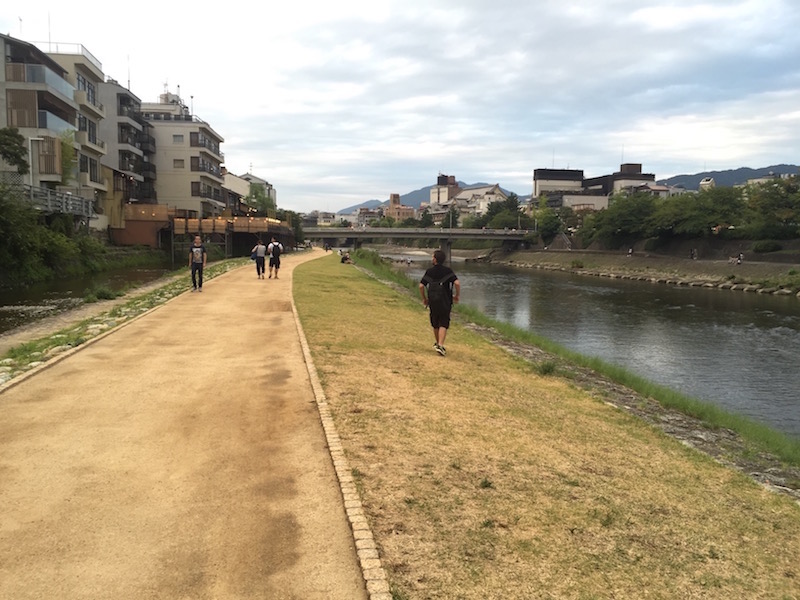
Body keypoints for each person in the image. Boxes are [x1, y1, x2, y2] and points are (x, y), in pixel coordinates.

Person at [419, 249, 460, 356]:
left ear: (435, 259)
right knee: (444, 322)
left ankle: (438, 343)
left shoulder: (429, 271)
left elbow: (421, 286)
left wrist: (424, 298)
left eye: (433, 257)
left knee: (435, 322)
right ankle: (440, 345)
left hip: (433, 300)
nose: (432, 259)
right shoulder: (448, 271)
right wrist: (457, 295)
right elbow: (457, 283)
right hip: (445, 300)